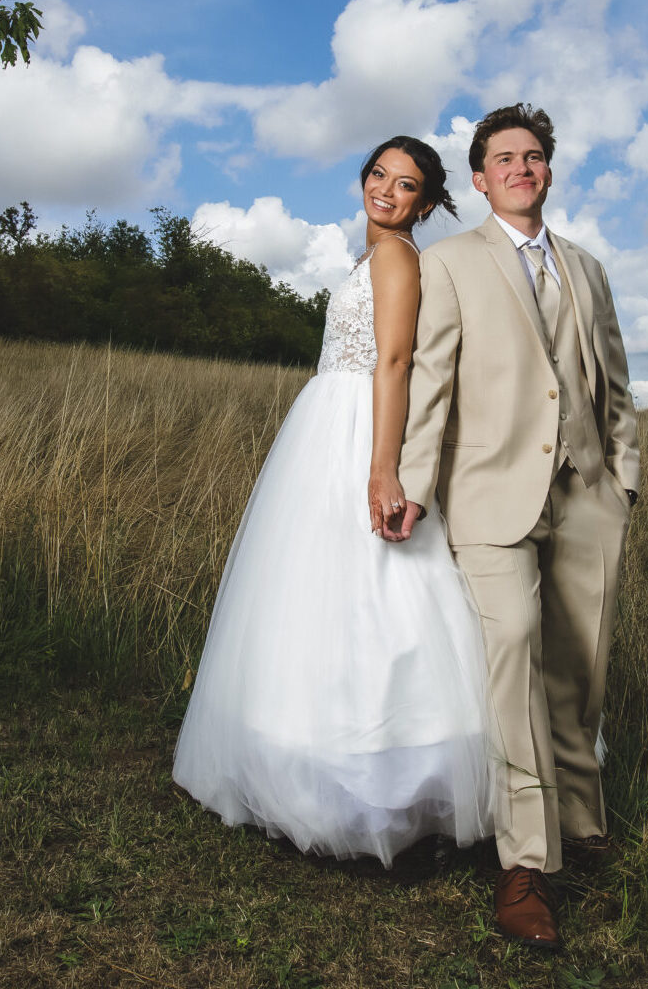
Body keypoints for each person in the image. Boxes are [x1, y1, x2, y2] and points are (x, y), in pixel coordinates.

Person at [173, 137, 494, 866]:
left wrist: (382, 470)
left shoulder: (396, 256)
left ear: (427, 201)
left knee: (381, 590)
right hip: (326, 424)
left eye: (405, 183)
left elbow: (395, 360)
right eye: (378, 174)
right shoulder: (371, 254)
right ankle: (316, 767)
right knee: (319, 594)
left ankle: (392, 783)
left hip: (361, 429)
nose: (385, 189)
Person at [392, 104, 640, 951]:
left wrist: (623, 480)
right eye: (505, 158)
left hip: (586, 495)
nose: (521, 168)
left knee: (581, 664)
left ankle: (581, 821)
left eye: (533, 157)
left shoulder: (587, 267)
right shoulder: (452, 262)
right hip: (490, 493)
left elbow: (614, 379)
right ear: (479, 175)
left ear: (548, 169)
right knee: (514, 657)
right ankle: (524, 861)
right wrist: (411, 483)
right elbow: (430, 378)